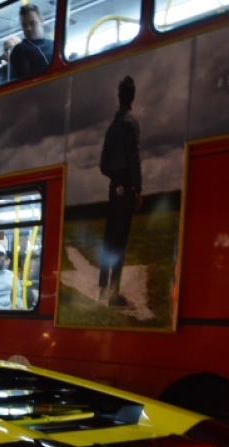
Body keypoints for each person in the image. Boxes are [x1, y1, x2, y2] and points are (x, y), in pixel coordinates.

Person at [98, 75, 141, 308]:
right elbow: (134, 157)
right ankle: (114, 294)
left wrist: (114, 178)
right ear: (132, 96)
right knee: (120, 241)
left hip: (113, 186)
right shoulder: (130, 124)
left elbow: (103, 165)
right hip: (126, 183)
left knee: (109, 239)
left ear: (118, 96)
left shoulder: (111, 128)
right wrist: (137, 186)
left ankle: (103, 288)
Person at [9, 4, 54, 82]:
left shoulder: (53, 44)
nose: (28, 28)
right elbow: (25, 81)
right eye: (24, 25)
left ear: (42, 21)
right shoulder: (20, 50)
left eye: (32, 23)